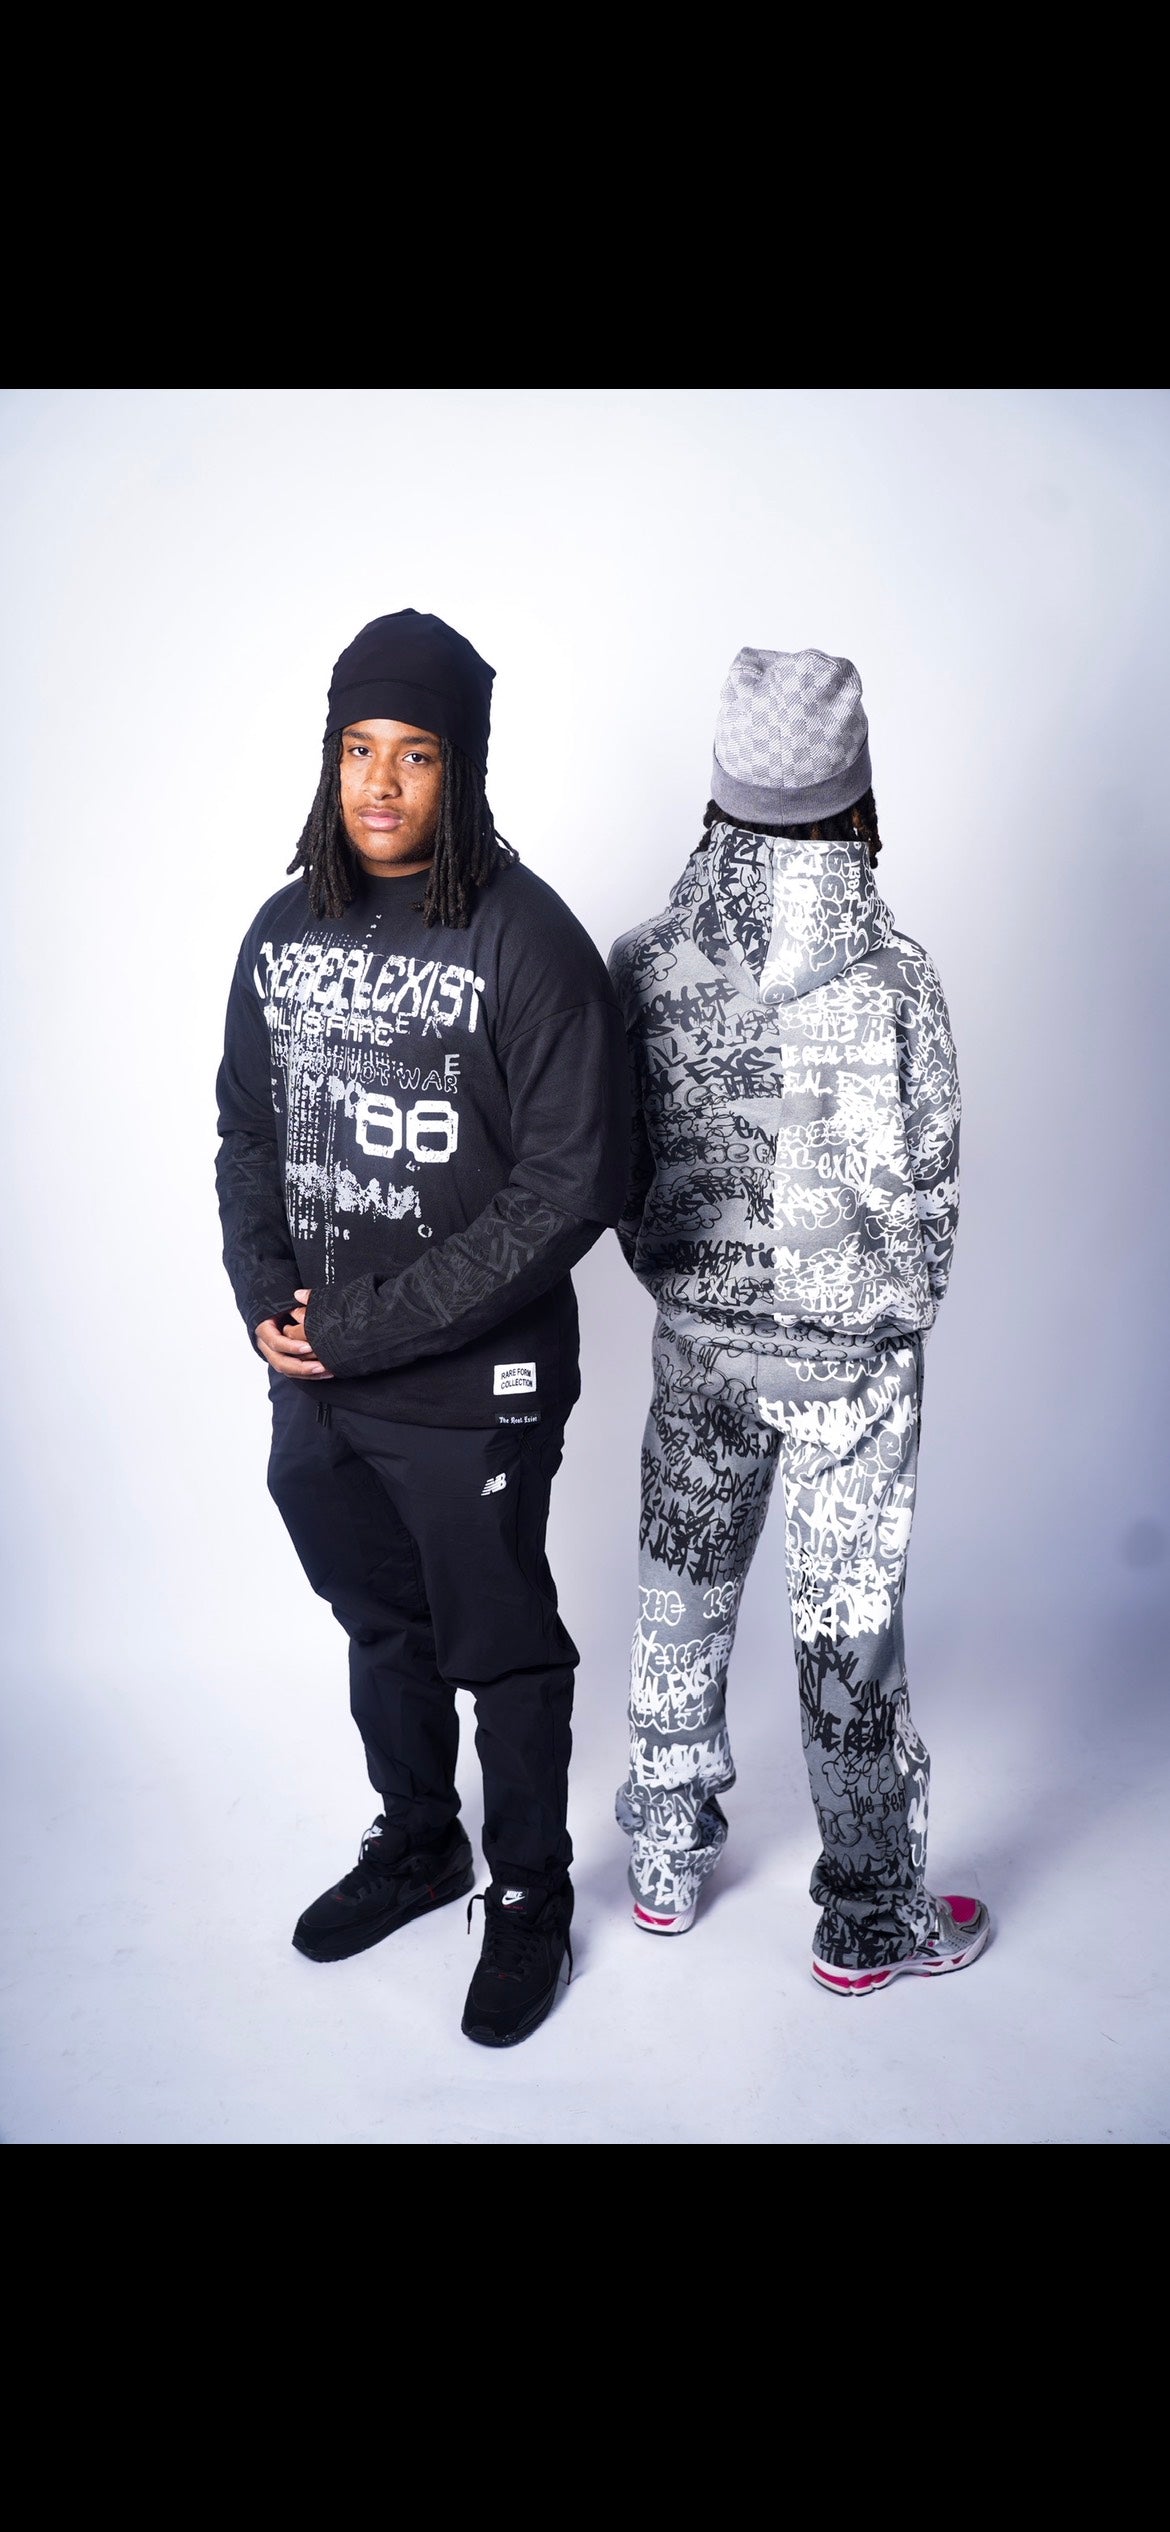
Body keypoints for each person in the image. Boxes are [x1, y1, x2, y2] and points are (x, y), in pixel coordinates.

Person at [215, 608, 630, 2047]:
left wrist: (370, 1326)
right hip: (320, 1380)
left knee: (497, 1642)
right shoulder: (285, 929)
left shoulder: (526, 939)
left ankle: (528, 1896)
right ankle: (418, 1844)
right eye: (357, 750)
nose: (380, 784)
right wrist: (266, 1301)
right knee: (379, 1621)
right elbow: (247, 1131)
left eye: (415, 754)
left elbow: (573, 1186)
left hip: (472, 1386)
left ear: (463, 768)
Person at [607, 646, 990, 1993]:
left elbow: (616, 1164)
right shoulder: (898, 977)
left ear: (722, 788)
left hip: (699, 1342)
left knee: (678, 1588)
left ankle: (662, 1863)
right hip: (853, 1365)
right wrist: (883, 1317)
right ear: (855, 793)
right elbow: (933, 1188)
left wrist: (687, 1276)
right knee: (847, 1630)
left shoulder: (642, 961)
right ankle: (868, 1917)